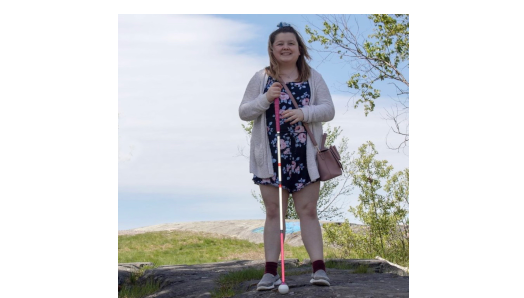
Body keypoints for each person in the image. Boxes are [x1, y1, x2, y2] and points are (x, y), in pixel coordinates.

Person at [238, 22, 335, 291]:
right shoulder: (261, 78)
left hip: (305, 158)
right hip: (270, 157)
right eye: (280, 43)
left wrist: (304, 113)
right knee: (273, 213)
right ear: (272, 49)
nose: (285, 47)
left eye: (290, 43)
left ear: (299, 48)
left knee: (308, 212)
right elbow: (245, 111)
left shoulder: (313, 76)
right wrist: (266, 98)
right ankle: (269, 273)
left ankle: (319, 270)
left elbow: (328, 109)